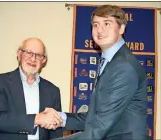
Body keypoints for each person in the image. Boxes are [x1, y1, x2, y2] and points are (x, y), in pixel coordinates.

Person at [45, 5, 149, 140]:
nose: (100, 30)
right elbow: (95, 117)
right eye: (95, 25)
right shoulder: (111, 61)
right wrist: (61, 118)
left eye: (107, 23)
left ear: (121, 28)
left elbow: (100, 126)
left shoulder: (123, 66)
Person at [0, 38, 63, 140]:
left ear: (43, 61)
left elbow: (56, 133)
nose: (33, 59)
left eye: (39, 55)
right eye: (28, 53)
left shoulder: (53, 91)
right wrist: (36, 119)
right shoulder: (0, 82)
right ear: (19, 54)